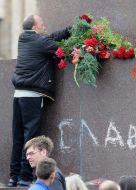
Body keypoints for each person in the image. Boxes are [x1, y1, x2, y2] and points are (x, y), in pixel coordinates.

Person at [8, 14, 70, 187]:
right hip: (32, 95)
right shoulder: (41, 43)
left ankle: (14, 176)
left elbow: (49, 38)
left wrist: (68, 31)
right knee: (31, 138)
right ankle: (26, 176)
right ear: (35, 28)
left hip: (19, 94)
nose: (44, 26)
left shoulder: (26, 39)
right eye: (42, 24)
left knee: (19, 136)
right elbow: (58, 48)